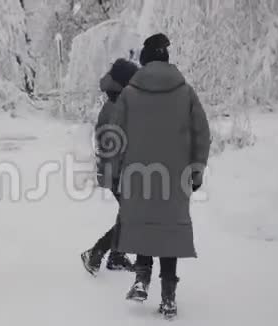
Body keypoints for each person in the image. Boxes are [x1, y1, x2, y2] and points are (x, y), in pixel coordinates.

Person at [105, 33, 211, 318]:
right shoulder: (185, 92)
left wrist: (114, 172)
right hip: (175, 176)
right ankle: (168, 296)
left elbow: (115, 136)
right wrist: (197, 170)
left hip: (137, 174)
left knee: (142, 222)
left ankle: (141, 279)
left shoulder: (129, 94)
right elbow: (202, 133)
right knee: (168, 230)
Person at [81, 59, 138, 276]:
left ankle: (116, 256)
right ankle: (95, 252)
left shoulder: (118, 103)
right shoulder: (117, 107)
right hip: (119, 173)